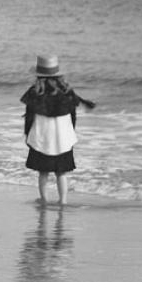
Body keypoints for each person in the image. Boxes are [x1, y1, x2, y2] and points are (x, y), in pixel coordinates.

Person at [21, 55, 97, 206]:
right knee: (61, 173)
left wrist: (27, 134)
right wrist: (71, 132)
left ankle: (43, 199)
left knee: (43, 172)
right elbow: (73, 116)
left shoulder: (35, 91)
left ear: (38, 75)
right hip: (63, 137)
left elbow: (29, 116)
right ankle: (63, 200)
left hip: (42, 136)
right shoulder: (66, 91)